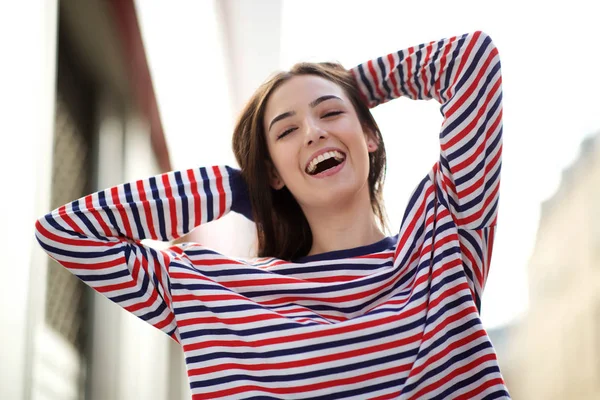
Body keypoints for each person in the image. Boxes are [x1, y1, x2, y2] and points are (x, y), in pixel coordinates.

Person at [35, 30, 508, 399]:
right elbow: (68, 233)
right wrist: (235, 188)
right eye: (286, 132)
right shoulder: (218, 293)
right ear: (274, 173)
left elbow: (470, 62)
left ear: (371, 136)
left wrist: (351, 85)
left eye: (330, 114)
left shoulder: (444, 242)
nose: (313, 132)